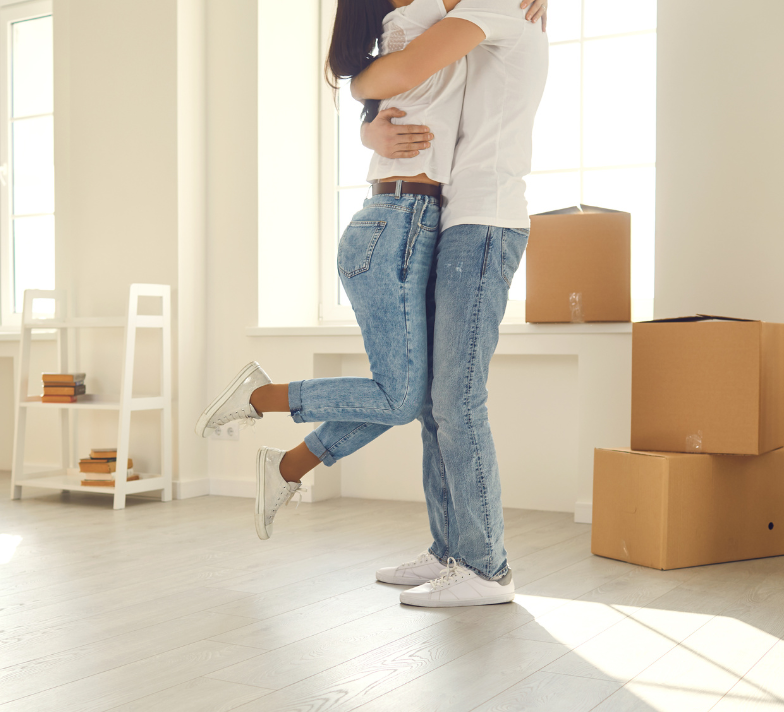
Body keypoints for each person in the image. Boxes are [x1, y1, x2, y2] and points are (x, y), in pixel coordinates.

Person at [195, 0, 467, 539]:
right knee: (401, 396)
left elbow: (377, 89)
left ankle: (288, 466)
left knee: (405, 393)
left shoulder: (413, 29)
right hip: (396, 224)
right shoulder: (419, 19)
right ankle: (261, 398)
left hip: (406, 225)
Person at [351, 0, 550, 607]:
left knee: (456, 399)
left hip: (485, 222)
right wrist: (368, 128)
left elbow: (401, 71)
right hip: (460, 217)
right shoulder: (477, 17)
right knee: (438, 404)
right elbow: (420, 88)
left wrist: (352, 81)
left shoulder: (493, 8)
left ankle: (487, 569)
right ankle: (449, 551)